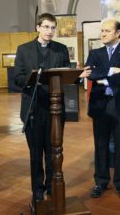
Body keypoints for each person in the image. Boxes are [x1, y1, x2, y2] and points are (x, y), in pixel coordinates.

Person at [13, 13, 80, 203]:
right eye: (46, 27)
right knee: (35, 153)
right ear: (38, 27)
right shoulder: (23, 50)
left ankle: (51, 185)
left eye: (53, 28)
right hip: (33, 108)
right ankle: (37, 189)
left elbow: (66, 75)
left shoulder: (61, 50)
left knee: (53, 151)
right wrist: (33, 79)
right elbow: (17, 78)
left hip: (55, 110)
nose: (50, 31)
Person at [85, 19, 120, 199]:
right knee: (100, 145)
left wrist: (104, 77)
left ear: (118, 33)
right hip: (100, 105)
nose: (102, 34)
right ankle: (100, 181)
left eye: (107, 31)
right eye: (101, 31)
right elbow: (90, 73)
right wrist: (113, 71)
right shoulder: (95, 53)